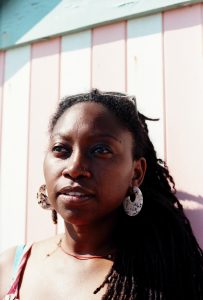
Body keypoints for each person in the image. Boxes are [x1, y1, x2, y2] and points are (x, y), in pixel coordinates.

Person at [0, 89, 203, 300]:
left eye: (100, 150)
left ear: (136, 172)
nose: (75, 167)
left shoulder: (163, 279)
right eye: (61, 149)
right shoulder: (10, 269)